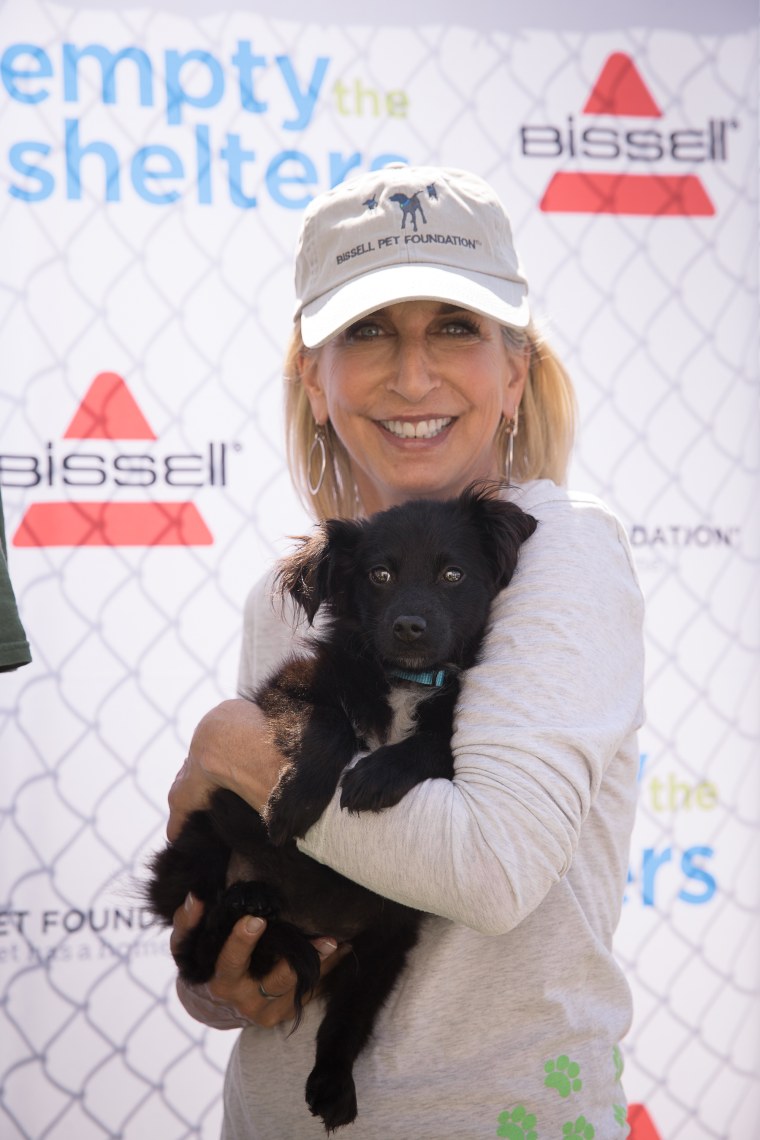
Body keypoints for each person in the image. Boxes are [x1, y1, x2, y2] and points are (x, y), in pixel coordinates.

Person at [167, 164, 644, 1139]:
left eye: (454, 328)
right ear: (315, 375)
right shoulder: (291, 591)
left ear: (514, 372)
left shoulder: (557, 546)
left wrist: (238, 750)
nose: (413, 375)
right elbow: (265, 880)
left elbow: (492, 870)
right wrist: (223, 976)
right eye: (370, 330)